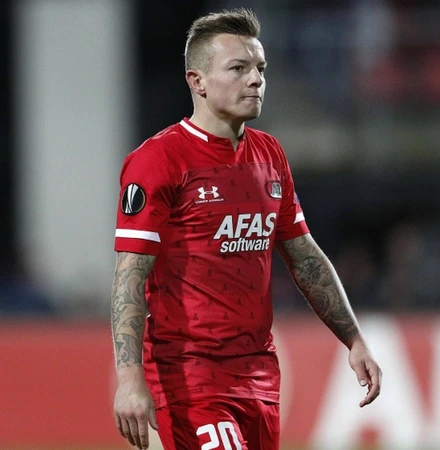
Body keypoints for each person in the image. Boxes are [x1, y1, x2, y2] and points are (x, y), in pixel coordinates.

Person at [111, 8, 382, 450]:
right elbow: (130, 273)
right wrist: (128, 379)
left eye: (261, 68)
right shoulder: (159, 160)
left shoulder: (269, 154)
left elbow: (305, 257)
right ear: (197, 81)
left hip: (259, 375)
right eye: (238, 68)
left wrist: (353, 339)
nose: (255, 80)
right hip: (189, 376)